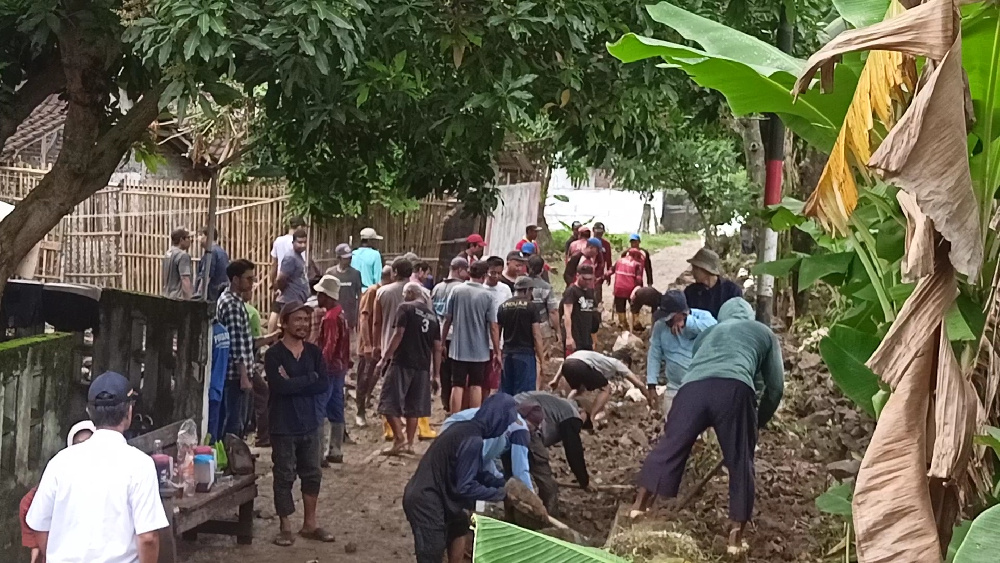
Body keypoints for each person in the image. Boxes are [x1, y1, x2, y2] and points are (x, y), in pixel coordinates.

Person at [631, 298, 784, 551]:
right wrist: (757, 422)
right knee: (740, 461)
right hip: (734, 388)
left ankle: (638, 507)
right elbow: (775, 387)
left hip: (691, 391)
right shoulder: (763, 332)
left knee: (670, 446)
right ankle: (735, 538)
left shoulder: (709, 332)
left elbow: (702, 366)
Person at [26, 372, 168, 563]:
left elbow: (40, 526)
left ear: (89, 412)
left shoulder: (59, 462)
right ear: (129, 412)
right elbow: (148, 538)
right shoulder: (140, 465)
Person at [402, 393, 517, 563]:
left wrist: (502, 484)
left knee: (459, 524)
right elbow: (466, 486)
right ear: (498, 420)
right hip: (426, 500)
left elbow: (475, 472)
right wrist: (501, 495)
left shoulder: (465, 429)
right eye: (505, 424)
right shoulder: (473, 440)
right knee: (431, 553)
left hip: (436, 494)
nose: (504, 429)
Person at [265, 302, 336, 546]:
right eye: (298, 319)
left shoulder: (314, 353)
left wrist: (296, 380)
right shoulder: (273, 354)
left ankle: (310, 524)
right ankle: (285, 527)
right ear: (284, 323)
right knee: (284, 474)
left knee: (312, 473)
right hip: (283, 425)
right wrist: (309, 378)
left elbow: (323, 384)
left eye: (306, 319)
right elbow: (279, 387)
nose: (303, 324)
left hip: (311, 423)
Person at [376, 282, 443, 453]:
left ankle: (399, 438)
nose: (403, 297)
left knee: (388, 402)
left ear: (411, 293)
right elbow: (437, 347)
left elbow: (398, 334)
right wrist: (436, 374)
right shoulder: (433, 316)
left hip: (402, 362)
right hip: (422, 366)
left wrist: (384, 359)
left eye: (405, 293)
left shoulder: (405, 308)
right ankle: (410, 444)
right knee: (414, 407)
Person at [20, 421, 96, 563]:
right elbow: (29, 506)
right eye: (79, 444)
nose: (84, 450)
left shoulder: (113, 481)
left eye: (90, 443)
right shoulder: (57, 476)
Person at [514, 392, 589, 515]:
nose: (581, 427)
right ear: (583, 411)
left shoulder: (556, 405)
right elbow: (573, 449)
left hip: (512, 416)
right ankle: (547, 517)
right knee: (546, 481)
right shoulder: (571, 413)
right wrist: (584, 480)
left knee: (511, 472)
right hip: (526, 424)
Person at [441, 260, 501, 413]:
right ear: (484, 275)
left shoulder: (457, 291)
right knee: (476, 385)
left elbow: (447, 319)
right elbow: (493, 326)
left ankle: (455, 417)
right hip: (479, 351)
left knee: (457, 384)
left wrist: (442, 342)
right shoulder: (487, 296)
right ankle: (473, 418)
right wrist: (497, 351)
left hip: (458, 348)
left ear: (469, 273)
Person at [439, 403, 542, 493]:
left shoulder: (503, 414)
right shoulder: (520, 429)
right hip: (460, 440)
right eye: (534, 428)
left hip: (448, 427)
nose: (532, 433)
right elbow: (520, 471)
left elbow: (486, 457)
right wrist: (530, 495)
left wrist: (498, 478)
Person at [646, 290, 717, 419]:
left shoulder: (702, 317)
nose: (666, 321)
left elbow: (715, 329)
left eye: (669, 317)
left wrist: (687, 323)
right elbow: (654, 353)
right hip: (674, 387)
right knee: (672, 429)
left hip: (701, 387)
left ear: (679, 314)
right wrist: (651, 384)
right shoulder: (660, 326)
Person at [548, 349, 650, 422]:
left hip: (568, 365)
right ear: (623, 362)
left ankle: (566, 412)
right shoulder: (616, 363)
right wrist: (649, 397)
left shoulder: (600, 359)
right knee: (606, 388)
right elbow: (638, 383)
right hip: (581, 365)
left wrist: (556, 380)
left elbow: (566, 362)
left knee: (578, 389)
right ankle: (591, 418)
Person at [217, 259, 257, 439]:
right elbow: (235, 343)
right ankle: (232, 458)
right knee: (234, 421)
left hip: (238, 372)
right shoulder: (232, 304)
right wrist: (243, 376)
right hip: (234, 374)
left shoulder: (234, 300)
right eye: (248, 279)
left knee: (236, 419)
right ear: (235, 279)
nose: (251, 283)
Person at [314, 275, 351, 465]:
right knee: (336, 408)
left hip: (329, 369)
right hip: (340, 368)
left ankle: (318, 453)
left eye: (320, 294)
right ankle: (335, 449)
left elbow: (329, 345)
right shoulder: (341, 314)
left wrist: (320, 366)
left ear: (326, 296)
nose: (318, 298)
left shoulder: (330, 318)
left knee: (319, 408)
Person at [356, 266, 393, 426]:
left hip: (381, 343)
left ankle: (368, 401)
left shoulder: (387, 293)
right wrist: (368, 344)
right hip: (369, 344)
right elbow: (364, 319)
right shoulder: (373, 292)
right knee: (364, 377)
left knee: (375, 376)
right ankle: (360, 411)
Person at [432, 257, 470, 412]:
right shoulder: (463, 289)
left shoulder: (437, 288)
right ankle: (457, 406)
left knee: (444, 371)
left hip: (439, 335)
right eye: (466, 269)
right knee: (458, 373)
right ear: (459, 270)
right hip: (457, 335)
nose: (467, 273)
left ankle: (446, 403)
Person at [497, 277, 544, 395]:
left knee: (507, 391)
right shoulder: (531, 307)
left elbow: (497, 332)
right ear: (527, 290)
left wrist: (498, 352)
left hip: (507, 353)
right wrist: (542, 359)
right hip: (525, 354)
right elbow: (536, 334)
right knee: (524, 395)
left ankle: (507, 413)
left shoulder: (503, 306)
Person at [269, 217, 309, 331]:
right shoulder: (292, 254)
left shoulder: (278, 241)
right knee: (288, 317)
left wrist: (273, 283)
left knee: (275, 310)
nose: (302, 245)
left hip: (284, 282)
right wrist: (280, 285)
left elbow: (274, 264)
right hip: (288, 287)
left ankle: (271, 337)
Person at [684, 247, 743, 319]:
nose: (692, 272)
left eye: (695, 269)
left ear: (705, 270)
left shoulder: (732, 291)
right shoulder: (691, 291)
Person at [482, 256, 510, 399]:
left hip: (498, 341)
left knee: (491, 381)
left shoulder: (505, 290)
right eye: (493, 273)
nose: (496, 277)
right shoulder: (480, 288)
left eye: (499, 273)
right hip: (480, 341)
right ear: (486, 272)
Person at [327, 243, 363, 337]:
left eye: (350, 258)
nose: (349, 261)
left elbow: (359, 295)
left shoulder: (355, 274)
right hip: (334, 316)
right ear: (338, 258)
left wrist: (358, 315)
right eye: (346, 258)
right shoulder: (330, 273)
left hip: (350, 316)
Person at [561, 264, 597, 355]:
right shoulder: (571, 291)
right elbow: (567, 314)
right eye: (584, 279)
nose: (587, 282)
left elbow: (593, 316)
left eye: (590, 279)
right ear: (577, 276)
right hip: (575, 336)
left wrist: (594, 338)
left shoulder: (590, 292)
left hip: (587, 337)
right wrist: (569, 337)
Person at [275, 228, 310, 311]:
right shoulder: (290, 257)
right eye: (300, 242)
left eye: (305, 242)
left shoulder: (298, 256)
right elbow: (280, 279)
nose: (303, 245)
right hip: (291, 300)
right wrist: (285, 291)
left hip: (297, 299)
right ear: (293, 243)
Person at [207, 319, 230, 442]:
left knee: (207, 435)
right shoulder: (223, 331)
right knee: (214, 433)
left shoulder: (208, 333)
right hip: (219, 386)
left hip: (208, 390)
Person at [612, 248, 645, 329]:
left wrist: (604, 277)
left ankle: (622, 323)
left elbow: (611, 271)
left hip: (618, 288)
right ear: (635, 255)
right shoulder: (637, 264)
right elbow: (639, 279)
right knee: (635, 306)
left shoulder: (619, 261)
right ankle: (635, 323)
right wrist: (640, 287)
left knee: (620, 306)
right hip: (630, 289)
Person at [526, 255, 559, 336]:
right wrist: (558, 331)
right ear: (542, 270)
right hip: (542, 326)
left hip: (523, 326)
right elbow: (553, 311)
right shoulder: (546, 287)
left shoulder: (519, 284)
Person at [196, 227, 230, 301]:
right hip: (219, 293)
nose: (198, 238)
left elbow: (207, 275)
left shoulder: (211, 252)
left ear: (208, 236)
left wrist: (199, 294)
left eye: (200, 235)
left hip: (212, 295)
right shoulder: (221, 251)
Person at [161, 226, 193, 299]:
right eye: (188, 237)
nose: (190, 240)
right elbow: (185, 279)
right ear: (181, 240)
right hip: (178, 298)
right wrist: (189, 299)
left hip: (167, 295)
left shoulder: (168, 254)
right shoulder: (183, 256)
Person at [351, 227, 384, 292]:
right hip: (369, 292)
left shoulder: (353, 254)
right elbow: (378, 278)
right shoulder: (375, 255)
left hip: (353, 291)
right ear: (369, 241)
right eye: (374, 240)